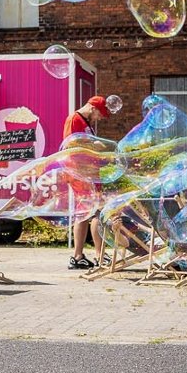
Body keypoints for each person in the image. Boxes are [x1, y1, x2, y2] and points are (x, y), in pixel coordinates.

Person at [64, 96, 111, 270]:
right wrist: (94, 146)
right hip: (81, 173)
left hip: (88, 172)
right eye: (100, 114)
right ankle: (99, 255)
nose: (99, 118)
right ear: (93, 108)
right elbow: (70, 145)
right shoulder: (74, 119)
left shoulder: (86, 123)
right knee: (97, 211)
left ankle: (78, 256)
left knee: (83, 213)